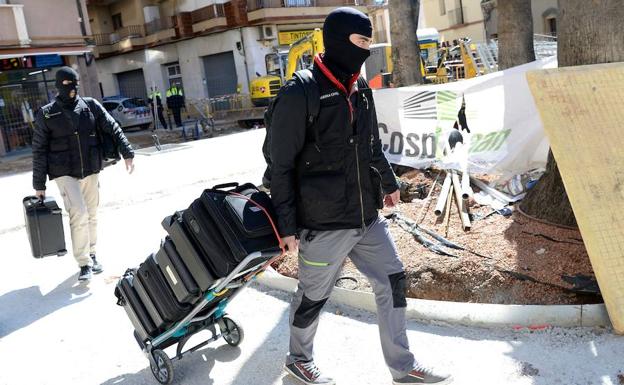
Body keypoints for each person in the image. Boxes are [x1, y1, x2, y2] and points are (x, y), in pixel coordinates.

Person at [269, 8, 453, 385]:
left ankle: (402, 367)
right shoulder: (300, 91)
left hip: (365, 218)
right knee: (313, 297)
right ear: (338, 39)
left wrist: (389, 184)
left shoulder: (361, 88)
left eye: (369, 41)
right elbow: (279, 166)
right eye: (361, 41)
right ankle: (298, 358)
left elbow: (370, 146)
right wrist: (287, 226)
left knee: (394, 280)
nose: (367, 49)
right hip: (322, 224)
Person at [32, 67, 135, 282]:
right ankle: (83, 262)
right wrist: (39, 184)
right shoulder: (47, 113)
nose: (72, 89)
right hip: (64, 171)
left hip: (90, 167)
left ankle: (93, 254)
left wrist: (127, 151)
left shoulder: (90, 105)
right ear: (58, 87)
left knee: (91, 213)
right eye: (67, 85)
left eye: (75, 84)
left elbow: (112, 126)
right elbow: (39, 149)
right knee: (78, 212)